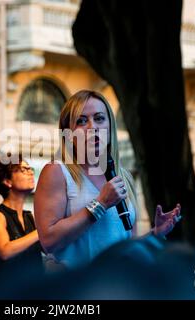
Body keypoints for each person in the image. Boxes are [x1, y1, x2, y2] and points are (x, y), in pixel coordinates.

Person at [34, 90, 182, 271]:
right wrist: (100, 204)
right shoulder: (57, 171)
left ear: (110, 127)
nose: (92, 127)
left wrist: (155, 234)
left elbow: (125, 245)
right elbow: (49, 241)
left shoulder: (123, 176)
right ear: (68, 134)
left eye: (99, 118)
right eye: (81, 121)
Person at [0, 154, 44, 299]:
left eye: (30, 168)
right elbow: (5, 251)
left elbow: (47, 248)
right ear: (7, 181)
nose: (30, 172)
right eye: (23, 169)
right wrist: (40, 231)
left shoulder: (29, 216)